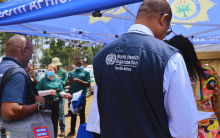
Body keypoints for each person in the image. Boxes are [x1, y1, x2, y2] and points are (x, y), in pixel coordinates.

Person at [92, 0, 198, 138]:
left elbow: (96, 118)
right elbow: (185, 128)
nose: (166, 34)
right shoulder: (171, 57)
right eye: (168, 29)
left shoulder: (102, 55)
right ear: (163, 19)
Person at [168, 35, 220, 138]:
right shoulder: (209, 71)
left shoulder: (171, 73)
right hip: (210, 128)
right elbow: (217, 102)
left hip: (181, 128)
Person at [0, 35, 45, 121]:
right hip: (13, 132)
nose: (30, 57)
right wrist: (38, 105)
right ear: (24, 50)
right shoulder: (17, 73)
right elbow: (10, 112)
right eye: (31, 53)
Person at [36, 63, 72, 138]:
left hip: (56, 104)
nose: (49, 71)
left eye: (51, 70)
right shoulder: (43, 80)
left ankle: (54, 136)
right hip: (46, 104)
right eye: (48, 69)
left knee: (55, 123)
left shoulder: (58, 80)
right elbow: (38, 92)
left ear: (55, 71)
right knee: (45, 123)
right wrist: (49, 92)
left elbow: (60, 92)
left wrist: (66, 94)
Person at [67, 57, 91, 137]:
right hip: (73, 97)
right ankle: (72, 131)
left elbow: (88, 84)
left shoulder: (86, 72)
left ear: (82, 63)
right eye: (77, 63)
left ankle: (82, 132)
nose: (78, 64)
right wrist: (70, 82)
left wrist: (79, 81)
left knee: (82, 114)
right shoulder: (72, 72)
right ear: (75, 62)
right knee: (73, 114)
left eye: (80, 63)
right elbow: (70, 84)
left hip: (82, 96)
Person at [52, 57, 68, 136]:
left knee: (61, 112)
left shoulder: (63, 72)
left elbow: (65, 83)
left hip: (61, 95)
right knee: (52, 113)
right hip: (52, 95)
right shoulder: (50, 72)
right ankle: (53, 130)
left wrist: (58, 79)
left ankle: (62, 129)